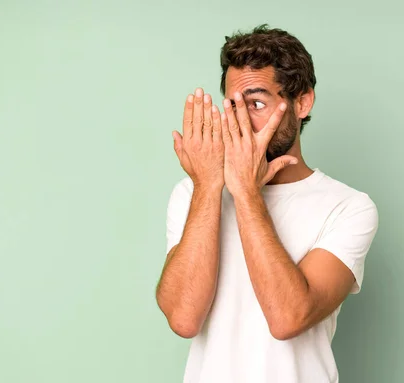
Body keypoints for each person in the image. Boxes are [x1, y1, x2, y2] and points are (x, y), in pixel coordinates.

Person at [156, 25, 379, 383]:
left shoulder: (348, 207)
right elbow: (183, 318)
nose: (242, 121)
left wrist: (245, 191)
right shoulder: (194, 192)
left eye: (257, 103)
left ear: (302, 103)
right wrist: (209, 186)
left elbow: (288, 317)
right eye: (234, 105)